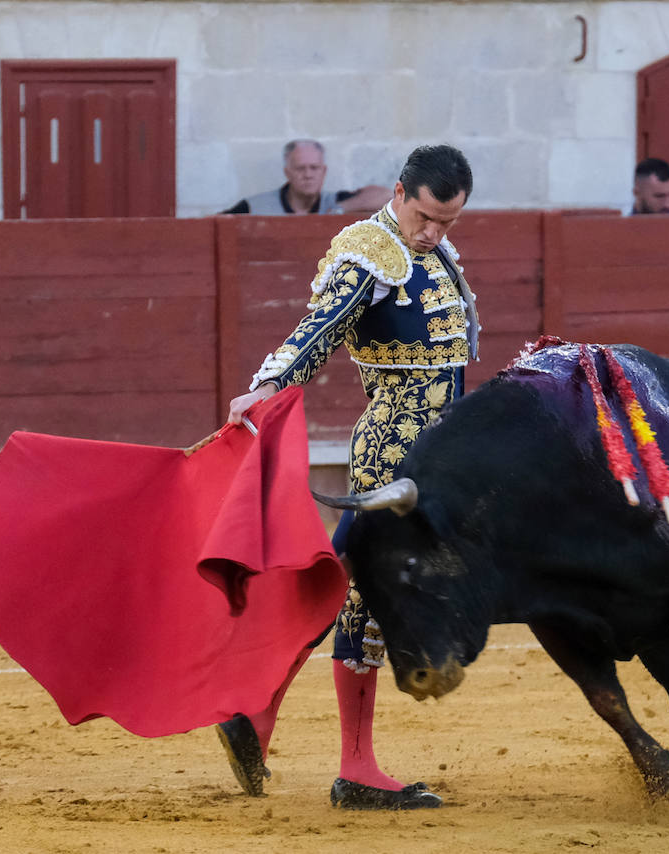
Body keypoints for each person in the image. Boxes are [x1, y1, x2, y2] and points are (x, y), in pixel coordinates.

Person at [217, 144, 478, 811]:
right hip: (394, 450)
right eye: (425, 216)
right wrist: (270, 385)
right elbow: (322, 327)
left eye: (447, 222)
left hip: (433, 456)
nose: (434, 232)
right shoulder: (370, 247)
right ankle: (350, 764)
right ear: (398, 192)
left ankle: (257, 712)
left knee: (345, 588)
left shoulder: (433, 252)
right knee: (363, 602)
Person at [222, 139, 389, 216]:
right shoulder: (254, 207)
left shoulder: (335, 201)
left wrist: (340, 209)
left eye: (314, 168)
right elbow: (212, 225)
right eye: (300, 168)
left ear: (323, 171)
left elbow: (388, 196)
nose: (308, 175)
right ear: (287, 172)